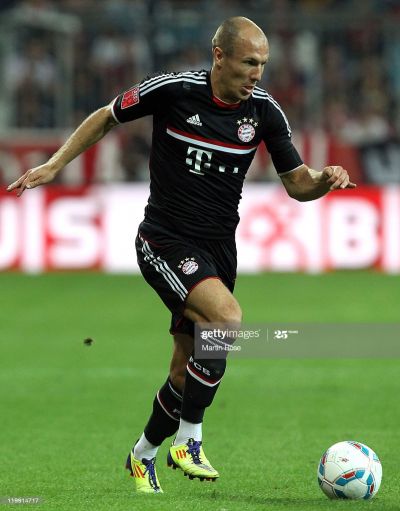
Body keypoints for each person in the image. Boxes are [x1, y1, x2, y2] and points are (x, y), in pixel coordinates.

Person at [7, 16, 356, 494]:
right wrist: (53, 164)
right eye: (249, 62)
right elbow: (106, 115)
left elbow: (298, 184)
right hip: (164, 240)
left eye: (263, 64)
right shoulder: (173, 90)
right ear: (220, 56)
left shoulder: (265, 112)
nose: (257, 73)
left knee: (184, 370)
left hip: (218, 252)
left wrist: (324, 179)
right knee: (227, 319)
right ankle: (189, 439)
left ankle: (142, 454)